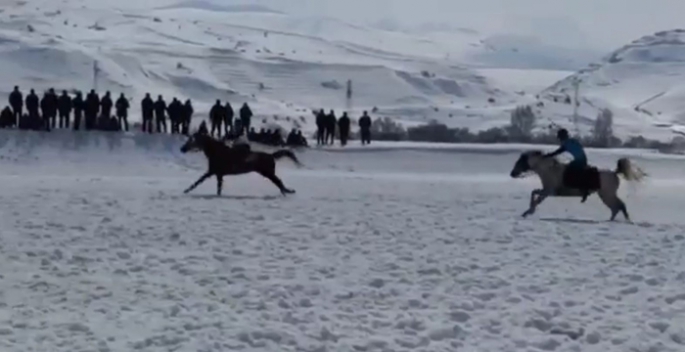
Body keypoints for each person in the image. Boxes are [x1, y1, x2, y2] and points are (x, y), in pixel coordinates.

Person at [543, 128, 590, 202]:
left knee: (567, 171)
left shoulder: (567, 143)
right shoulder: (571, 141)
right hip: (580, 159)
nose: (559, 140)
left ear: (562, 137)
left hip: (580, 161)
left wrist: (547, 156)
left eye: (560, 138)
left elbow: (558, 152)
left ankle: (576, 188)